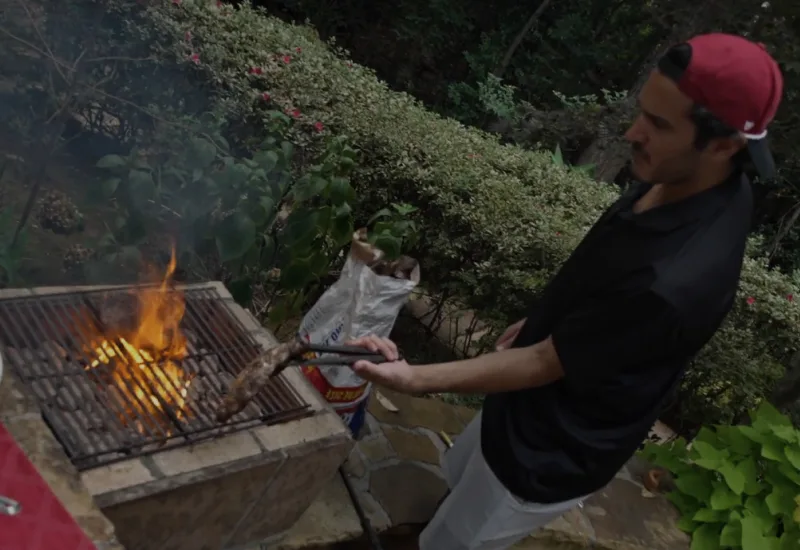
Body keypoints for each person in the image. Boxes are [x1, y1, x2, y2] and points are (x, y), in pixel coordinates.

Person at [345, 33, 784, 550]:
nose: (631, 133)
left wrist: (415, 378)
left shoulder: (676, 281)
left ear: (725, 145)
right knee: (453, 491)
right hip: (526, 397)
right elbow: (601, 294)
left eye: (659, 125)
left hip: (546, 450)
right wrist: (547, 321)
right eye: (643, 112)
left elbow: (547, 362)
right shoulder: (697, 176)